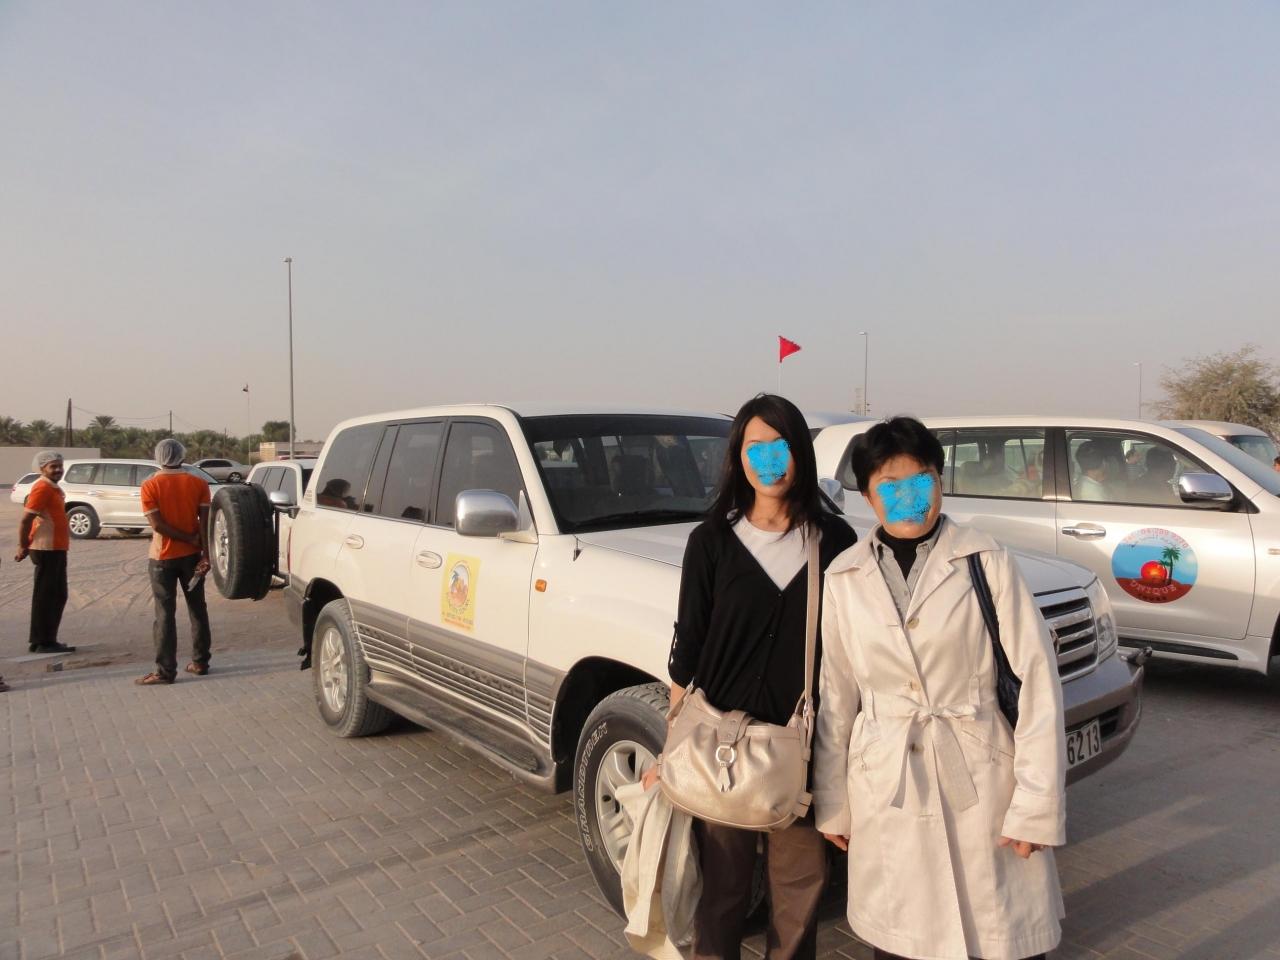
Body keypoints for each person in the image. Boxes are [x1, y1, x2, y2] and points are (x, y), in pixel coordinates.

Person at [814, 416, 1066, 960]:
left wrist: (1037, 805)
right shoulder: (843, 576)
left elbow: (1037, 684)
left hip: (982, 772)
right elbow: (837, 697)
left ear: (940, 480)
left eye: (920, 480)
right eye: (890, 485)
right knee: (904, 938)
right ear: (867, 495)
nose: (909, 498)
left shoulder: (985, 560)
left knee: (996, 935)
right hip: (887, 776)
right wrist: (833, 800)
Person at [643, 394, 857, 960]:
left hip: (801, 751)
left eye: (781, 445)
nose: (769, 459)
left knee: (798, 899)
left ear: (801, 453)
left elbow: (850, 651)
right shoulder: (710, 542)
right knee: (721, 895)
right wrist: (670, 750)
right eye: (755, 447)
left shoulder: (834, 542)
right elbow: (687, 652)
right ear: (738, 457)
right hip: (722, 749)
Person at [135, 439, 213, 685]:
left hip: (162, 558)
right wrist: (205, 553)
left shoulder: (150, 485)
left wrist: (186, 538)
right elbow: (205, 522)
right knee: (198, 609)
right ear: (182, 456)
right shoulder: (199, 483)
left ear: (158, 458)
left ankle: (165, 671)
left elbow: (157, 525)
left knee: (164, 614)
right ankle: (200, 662)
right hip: (192, 557)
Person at [14, 451, 77, 655]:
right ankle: (43, 642)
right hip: (46, 548)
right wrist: (23, 545)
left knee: (56, 595)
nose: (58, 470)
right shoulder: (42, 487)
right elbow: (26, 520)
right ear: (42, 469)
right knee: (48, 596)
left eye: (60, 466)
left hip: (56, 547)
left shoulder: (52, 487)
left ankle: (44, 639)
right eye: (53, 467)